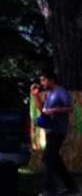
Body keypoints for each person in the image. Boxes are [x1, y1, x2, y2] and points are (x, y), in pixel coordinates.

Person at [31, 68, 79, 196]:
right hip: (50, 130)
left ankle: (50, 190)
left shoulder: (60, 91)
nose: (41, 83)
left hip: (59, 131)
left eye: (43, 80)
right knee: (55, 160)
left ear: (51, 79)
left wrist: (54, 111)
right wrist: (35, 96)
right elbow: (42, 109)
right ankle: (72, 188)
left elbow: (69, 109)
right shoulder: (48, 94)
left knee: (47, 159)